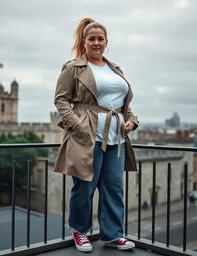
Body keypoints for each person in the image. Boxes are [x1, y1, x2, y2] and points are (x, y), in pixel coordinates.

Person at [54, 17, 139, 252]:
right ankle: (79, 231)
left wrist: (132, 120)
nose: (96, 43)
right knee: (84, 187)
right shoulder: (73, 67)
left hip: (117, 139)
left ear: (106, 42)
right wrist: (76, 125)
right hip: (88, 135)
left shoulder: (115, 69)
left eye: (100, 39)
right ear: (84, 42)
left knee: (114, 188)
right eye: (92, 39)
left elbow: (122, 104)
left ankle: (112, 235)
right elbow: (61, 99)